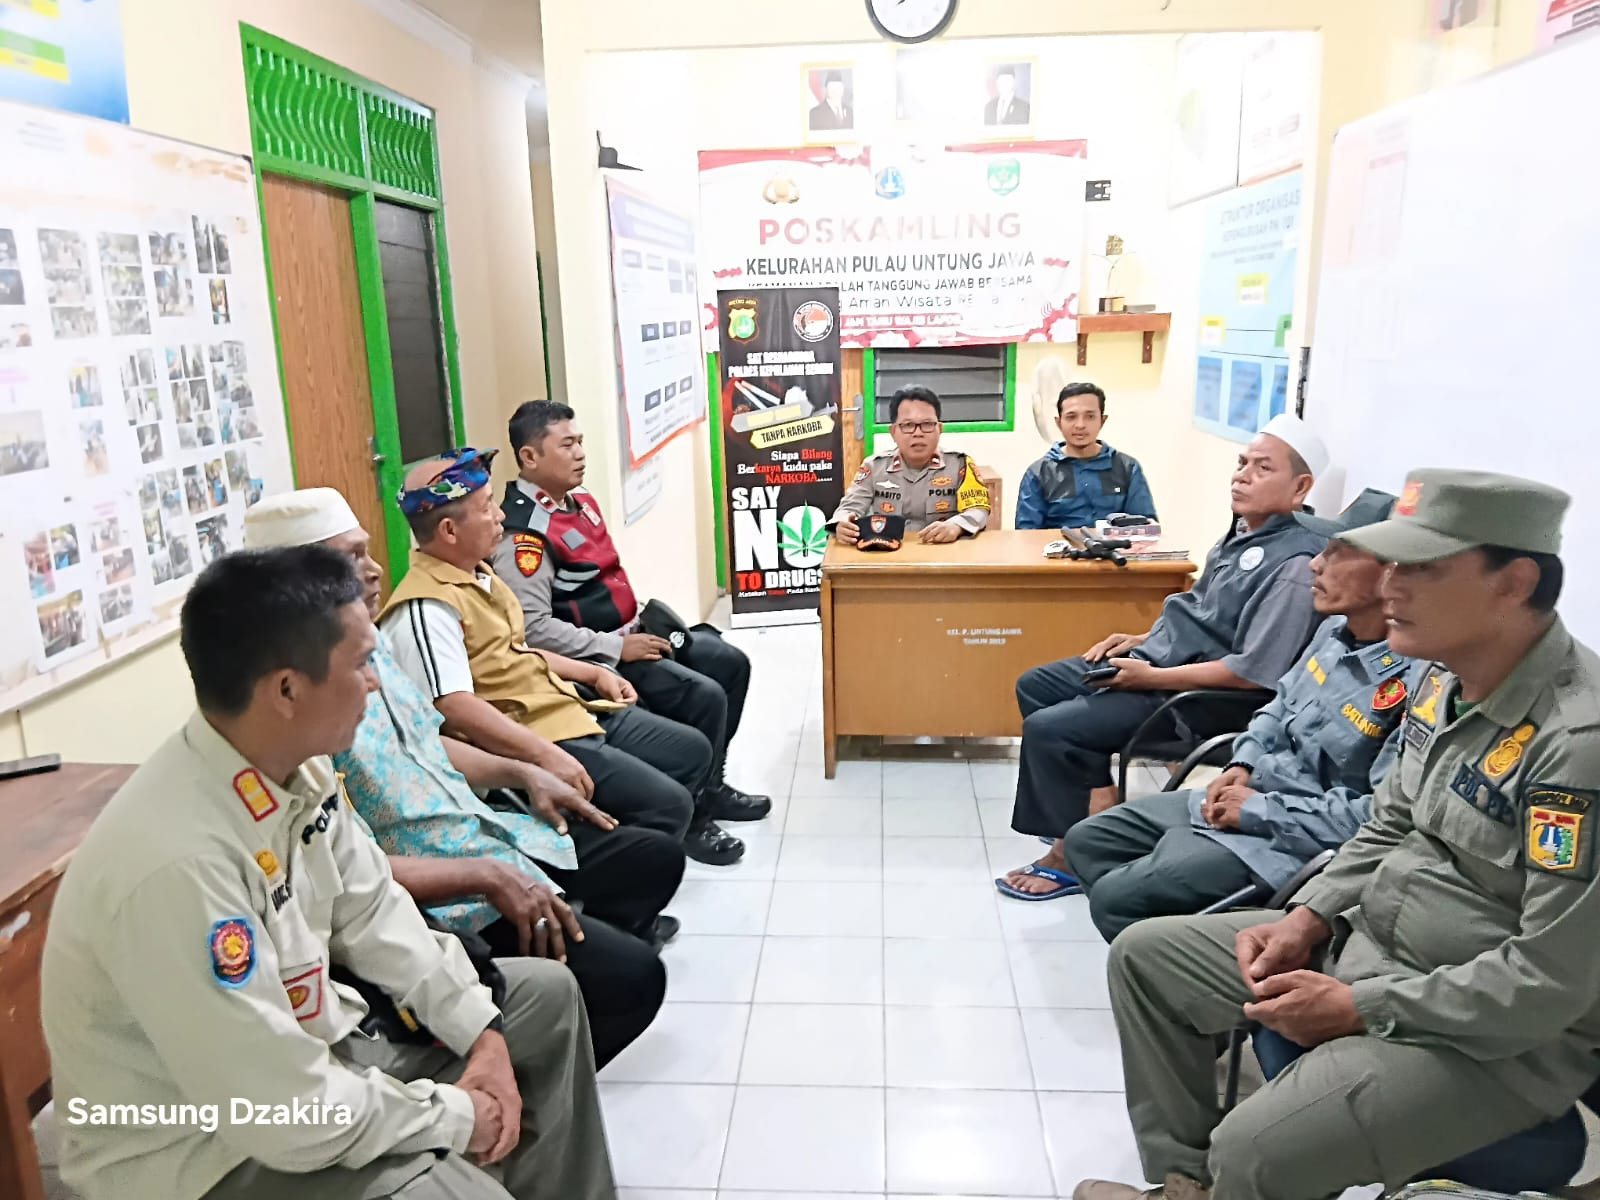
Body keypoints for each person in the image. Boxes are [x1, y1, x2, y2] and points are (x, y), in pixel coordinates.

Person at [1079, 469, 1598, 1200]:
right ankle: (1184, 1182)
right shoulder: (1445, 680)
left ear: (1513, 583)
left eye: (1421, 568)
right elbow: (1388, 823)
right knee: (1146, 959)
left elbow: (1548, 982)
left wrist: (1364, 1007)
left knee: (1253, 1149)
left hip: (1482, 1037)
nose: (1391, 586)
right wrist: (1306, 917)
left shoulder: (1575, 746)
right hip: (1368, 945)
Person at [40, 546, 615, 1200]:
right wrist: (454, 1118)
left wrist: (478, 1033)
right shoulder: (177, 863)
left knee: (544, 1002)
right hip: (205, 1151)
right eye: (362, 663)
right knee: (453, 1190)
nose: (375, 683)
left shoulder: (296, 767)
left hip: (311, 1053)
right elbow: (278, 1109)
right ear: (287, 690)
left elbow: (373, 910)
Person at [244, 487, 679, 1067]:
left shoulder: (370, 647)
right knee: (633, 978)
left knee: (651, 855)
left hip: (482, 831)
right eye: (351, 558)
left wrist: (524, 771)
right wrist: (485, 872)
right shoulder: (293, 713)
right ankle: (530, 1074)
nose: (374, 571)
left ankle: (576, 962)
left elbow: (428, 741)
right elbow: (343, 873)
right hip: (439, 894)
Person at [997, 413, 1330, 901]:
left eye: (1262, 468)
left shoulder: (1295, 565)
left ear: (1300, 487)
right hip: (1161, 664)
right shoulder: (1245, 532)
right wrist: (1142, 637)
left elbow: (1251, 674)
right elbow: (1204, 612)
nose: (1242, 476)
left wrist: (1150, 676)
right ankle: (1095, 808)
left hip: (1197, 700)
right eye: (1242, 463)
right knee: (1038, 685)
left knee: (1054, 729)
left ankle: (1069, 858)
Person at [1062, 489, 1415, 940]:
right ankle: (1165, 948)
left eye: (1338, 553)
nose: (1315, 564)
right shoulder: (1332, 632)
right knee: (1088, 841)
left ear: (1390, 575)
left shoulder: (1416, 680)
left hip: (1293, 837)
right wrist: (1243, 762)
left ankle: (1180, 954)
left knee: (1119, 897)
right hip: (1249, 792)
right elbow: (1277, 706)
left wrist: (1259, 810)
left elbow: (1376, 819)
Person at [377, 448, 745, 866]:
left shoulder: (479, 575)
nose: (500, 516)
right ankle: (628, 880)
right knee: (668, 805)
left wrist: (593, 673)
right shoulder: (428, 608)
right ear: (448, 530)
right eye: (487, 508)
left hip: (566, 706)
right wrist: (544, 756)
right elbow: (454, 706)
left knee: (692, 750)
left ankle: (653, 850)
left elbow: (515, 650)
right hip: (538, 735)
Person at [491, 401, 771, 836]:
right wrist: (617, 648)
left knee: (728, 662)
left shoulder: (580, 502)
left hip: (633, 634)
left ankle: (710, 786)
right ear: (529, 457)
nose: (580, 453)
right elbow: (533, 630)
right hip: (596, 660)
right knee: (705, 696)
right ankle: (693, 818)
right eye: (567, 445)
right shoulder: (524, 534)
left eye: (580, 441)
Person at [830, 385, 991, 545]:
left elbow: (978, 509)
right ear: (893, 432)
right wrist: (842, 523)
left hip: (942, 552)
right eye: (908, 425)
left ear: (940, 429)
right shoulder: (874, 467)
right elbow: (848, 508)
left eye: (927, 424)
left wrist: (957, 526)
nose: (918, 433)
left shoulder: (959, 465)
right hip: (888, 553)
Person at [1015, 382, 1158, 531]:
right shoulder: (1039, 474)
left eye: (1090, 416)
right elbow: (1027, 534)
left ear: (1102, 420)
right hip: (1058, 546)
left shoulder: (1127, 468)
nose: (1080, 425)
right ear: (1059, 423)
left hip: (1117, 546)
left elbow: (1145, 528)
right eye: (1071, 417)